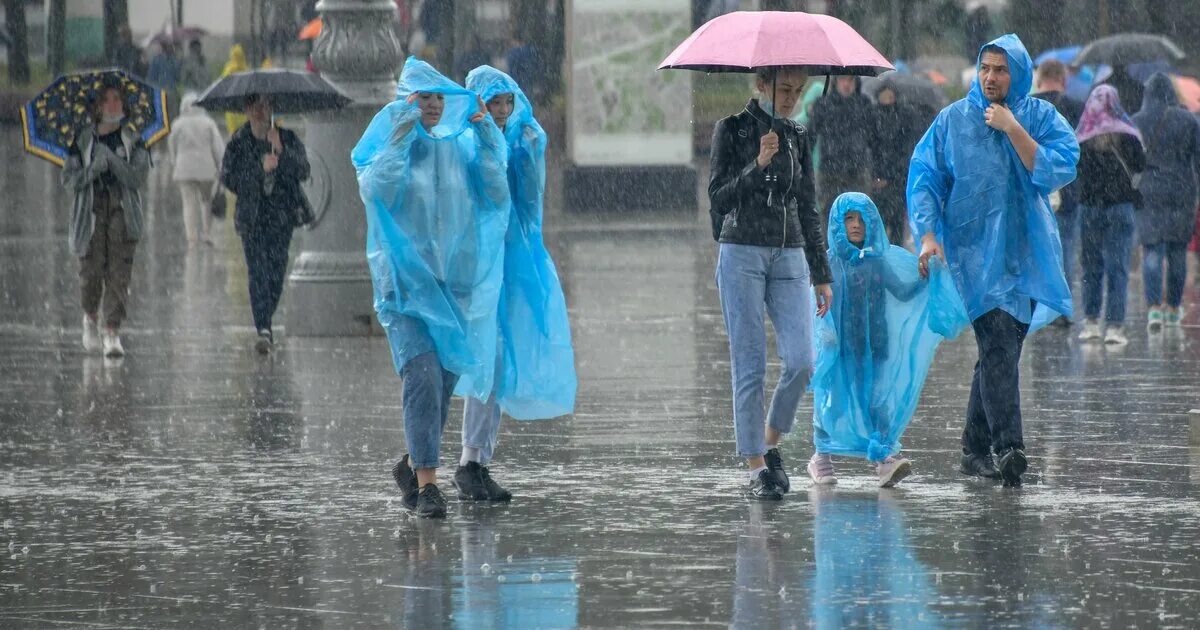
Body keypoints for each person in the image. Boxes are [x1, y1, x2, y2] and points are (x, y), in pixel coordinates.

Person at [908, 34, 1078, 487]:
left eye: (1001, 69)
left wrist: (1012, 128)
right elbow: (924, 177)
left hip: (1026, 255)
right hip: (974, 258)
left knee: (998, 355)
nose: (990, 77)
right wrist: (927, 235)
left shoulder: (1038, 116)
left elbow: (1061, 166)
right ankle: (1009, 448)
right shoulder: (952, 122)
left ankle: (973, 448)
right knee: (999, 346)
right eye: (985, 67)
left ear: (1017, 73)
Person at [354, 57, 510, 519]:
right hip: (403, 291)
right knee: (421, 374)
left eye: (440, 97)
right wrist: (400, 139)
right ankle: (427, 486)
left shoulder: (459, 147)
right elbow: (377, 191)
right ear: (406, 102)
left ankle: (411, 464)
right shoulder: (393, 145)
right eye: (424, 97)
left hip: (450, 289)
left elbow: (496, 194)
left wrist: (486, 140)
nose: (435, 106)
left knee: (440, 386)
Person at [708, 65, 834, 501]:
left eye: (799, 90)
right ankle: (757, 466)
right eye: (784, 88)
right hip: (741, 249)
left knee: (802, 359)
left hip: (791, 253)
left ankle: (771, 439)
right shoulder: (732, 129)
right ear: (761, 84)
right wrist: (757, 164)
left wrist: (821, 272)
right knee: (750, 364)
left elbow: (808, 205)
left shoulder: (798, 134)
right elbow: (718, 199)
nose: (791, 97)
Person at [459, 65, 577, 501]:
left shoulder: (515, 140)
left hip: (507, 262)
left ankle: (475, 461)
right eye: (495, 103)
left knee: (497, 361)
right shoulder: (468, 142)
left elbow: (528, 205)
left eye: (508, 102)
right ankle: (460, 461)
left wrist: (531, 155)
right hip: (480, 265)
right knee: (483, 362)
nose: (504, 111)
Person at [809, 193, 969, 487]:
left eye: (862, 219)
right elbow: (818, 305)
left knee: (876, 400)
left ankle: (882, 457)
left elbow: (901, 290)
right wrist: (825, 336)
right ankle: (822, 455)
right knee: (837, 401)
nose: (856, 225)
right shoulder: (829, 264)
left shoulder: (878, 261)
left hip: (876, 345)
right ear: (836, 224)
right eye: (848, 219)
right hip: (843, 347)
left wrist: (926, 280)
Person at [62, 78, 151, 358]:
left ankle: (112, 330)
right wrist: (93, 170)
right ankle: (90, 316)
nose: (114, 104)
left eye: (118, 99)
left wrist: (113, 162)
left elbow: (137, 178)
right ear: (97, 106)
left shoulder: (134, 139)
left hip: (122, 210)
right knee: (91, 271)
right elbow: (69, 180)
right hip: (90, 212)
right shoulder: (81, 140)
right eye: (108, 99)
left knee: (118, 272)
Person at [220, 94, 311, 354]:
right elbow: (230, 178)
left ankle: (266, 318)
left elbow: (303, 170)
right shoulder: (238, 142)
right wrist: (260, 169)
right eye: (254, 106)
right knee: (257, 271)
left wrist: (281, 150)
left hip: (282, 216)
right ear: (247, 110)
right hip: (253, 217)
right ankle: (263, 327)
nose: (260, 111)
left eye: (265, 105)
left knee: (276, 272)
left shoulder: (287, 138)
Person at [1074, 85, 1145, 346]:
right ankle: (1115, 326)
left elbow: (1074, 168)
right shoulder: (1127, 134)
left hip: (1090, 207)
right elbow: (1140, 165)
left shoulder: (1083, 134)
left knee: (1091, 265)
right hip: (1121, 206)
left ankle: (1091, 321)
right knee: (1119, 267)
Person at [1133, 73, 1200, 331]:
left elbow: (1131, 157)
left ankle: (1153, 309)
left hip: (1149, 190)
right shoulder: (1188, 120)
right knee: (1176, 251)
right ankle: (1173, 308)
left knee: (1152, 249)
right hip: (1182, 189)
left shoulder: (1137, 121)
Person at [1032, 59, 1085, 327]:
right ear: (1063, 80)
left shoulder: (1025, 108)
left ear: (1039, 79)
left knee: (1035, 251)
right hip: (1068, 192)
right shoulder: (1075, 107)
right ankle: (1061, 308)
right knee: (1065, 249)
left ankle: (1040, 309)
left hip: (1033, 193)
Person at [810, 76, 874, 224]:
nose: (846, 84)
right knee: (830, 215)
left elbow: (874, 139)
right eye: (842, 79)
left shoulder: (864, 104)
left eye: (850, 80)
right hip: (829, 171)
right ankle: (829, 247)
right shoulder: (823, 104)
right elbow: (810, 137)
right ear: (835, 81)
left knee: (858, 216)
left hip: (857, 170)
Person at [870, 79, 926, 246]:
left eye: (890, 95)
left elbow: (907, 148)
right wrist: (876, 175)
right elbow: (871, 147)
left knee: (896, 225)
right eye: (884, 95)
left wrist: (891, 175)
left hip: (897, 180)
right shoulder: (872, 116)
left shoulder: (906, 116)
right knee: (877, 223)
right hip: (877, 180)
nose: (887, 98)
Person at [169, 92, 226, 247]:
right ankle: (206, 233)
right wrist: (220, 165)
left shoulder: (177, 124)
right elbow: (218, 148)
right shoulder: (208, 123)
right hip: (206, 169)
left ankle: (191, 237)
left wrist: (175, 162)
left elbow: (172, 147)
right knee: (207, 201)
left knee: (188, 203)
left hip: (184, 170)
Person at [221, 45, 251, 136]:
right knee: (245, 133)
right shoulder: (246, 69)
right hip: (244, 106)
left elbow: (223, 84)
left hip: (231, 106)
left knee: (234, 133)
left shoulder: (228, 69)